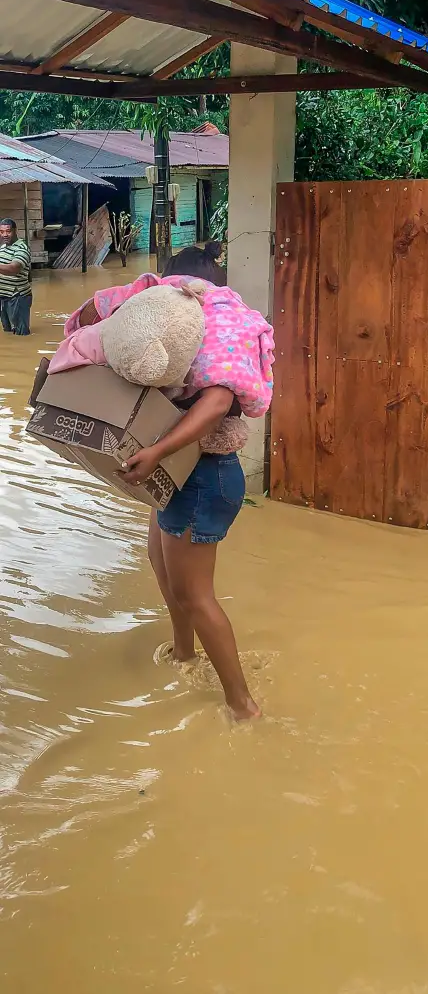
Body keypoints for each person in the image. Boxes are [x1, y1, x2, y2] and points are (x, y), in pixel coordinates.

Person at [76, 242, 261, 722]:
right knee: (161, 564)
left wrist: (156, 450)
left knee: (195, 596)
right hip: (183, 475)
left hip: (203, 477)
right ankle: (184, 655)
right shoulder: (181, 327)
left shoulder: (219, 329)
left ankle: (243, 707)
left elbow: (218, 402)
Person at [0, 218, 33, 336]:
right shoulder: (3, 248)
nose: (5, 235)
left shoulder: (22, 248)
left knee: (21, 334)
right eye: (2, 231)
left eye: (8, 231)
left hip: (18, 297)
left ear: (15, 231)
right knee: (8, 332)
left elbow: (14, 269)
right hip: (3, 297)